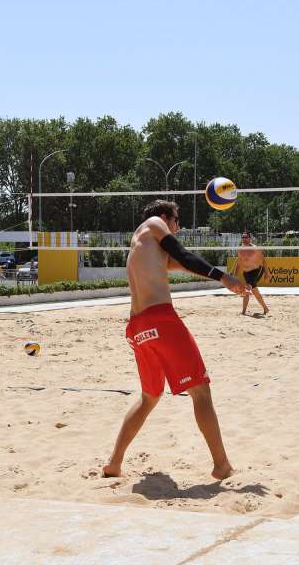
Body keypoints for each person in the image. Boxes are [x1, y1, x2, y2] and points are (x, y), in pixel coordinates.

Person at [103, 200, 248, 481]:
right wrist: (223, 277)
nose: (178, 227)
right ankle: (221, 465)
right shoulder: (154, 225)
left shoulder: (141, 245)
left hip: (137, 328)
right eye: (177, 221)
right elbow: (182, 253)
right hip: (160, 320)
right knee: (201, 392)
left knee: (148, 397)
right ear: (164, 217)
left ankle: (114, 463)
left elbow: (182, 263)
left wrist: (225, 280)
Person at [231, 231, 270, 315]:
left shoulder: (255, 248)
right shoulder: (240, 250)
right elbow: (238, 263)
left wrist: (267, 273)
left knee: (247, 288)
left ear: (250, 238)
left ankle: (243, 312)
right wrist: (234, 276)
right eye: (243, 237)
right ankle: (265, 308)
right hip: (246, 273)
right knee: (255, 291)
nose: (244, 239)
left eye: (246, 237)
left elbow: (263, 261)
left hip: (257, 270)